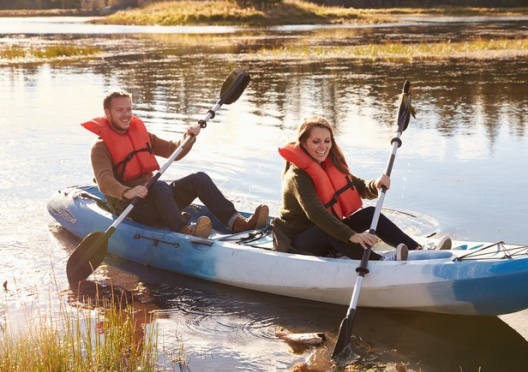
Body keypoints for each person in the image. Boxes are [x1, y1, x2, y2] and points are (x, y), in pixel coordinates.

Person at [82, 90, 269, 238]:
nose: (126, 115)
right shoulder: (100, 147)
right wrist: (128, 191)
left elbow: (173, 151)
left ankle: (236, 222)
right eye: (120, 110)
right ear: (107, 113)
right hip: (131, 206)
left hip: (154, 198)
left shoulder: (140, 135)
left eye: (129, 109)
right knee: (159, 185)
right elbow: (104, 181)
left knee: (199, 179)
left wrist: (188, 138)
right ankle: (183, 230)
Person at [271, 115, 450, 261]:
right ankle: (379, 261)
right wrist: (351, 235)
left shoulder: (326, 165)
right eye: (316, 141)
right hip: (297, 243)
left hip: (324, 231)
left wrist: (375, 185)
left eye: (327, 141)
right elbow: (316, 214)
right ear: (303, 143)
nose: (323, 147)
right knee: (331, 230)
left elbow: (358, 186)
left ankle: (417, 249)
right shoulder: (297, 176)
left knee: (370, 213)